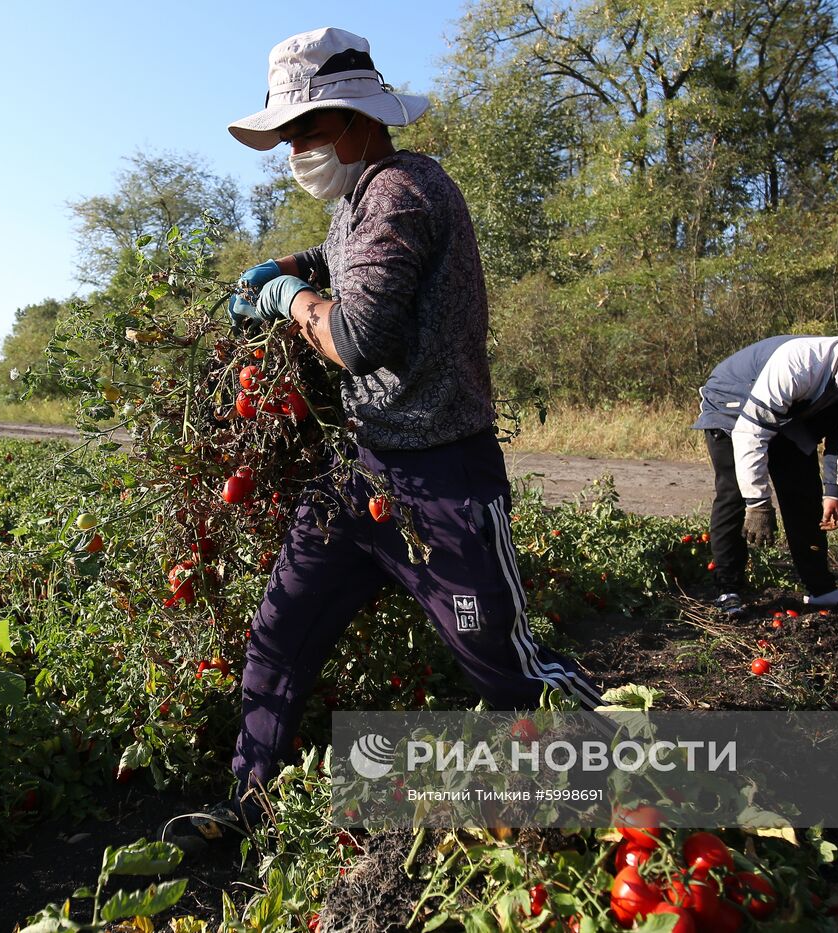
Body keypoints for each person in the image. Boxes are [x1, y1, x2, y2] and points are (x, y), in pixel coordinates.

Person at [164, 26, 603, 855]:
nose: (295, 148)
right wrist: (287, 265)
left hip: (441, 480)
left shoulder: (401, 189)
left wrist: (290, 300)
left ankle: (627, 771)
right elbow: (346, 258)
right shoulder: (361, 198)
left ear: (358, 119)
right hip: (360, 473)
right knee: (280, 630)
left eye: (306, 129)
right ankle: (249, 800)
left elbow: (359, 335)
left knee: (504, 665)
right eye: (288, 133)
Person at [693, 332, 838, 615]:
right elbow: (750, 434)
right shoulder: (800, 364)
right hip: (733, 400)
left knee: (804, 493)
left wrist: (834, 491)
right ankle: (727, 588)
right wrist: (758, 504)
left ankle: (821, 590)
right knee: (734, 493)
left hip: (789, 410)